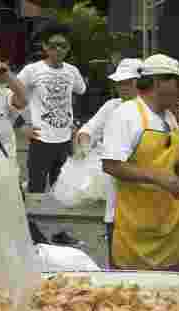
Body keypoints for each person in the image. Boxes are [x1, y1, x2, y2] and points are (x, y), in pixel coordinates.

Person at [100, 54, 179, 272]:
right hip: (133, 224)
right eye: (177, 84)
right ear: (159, 82)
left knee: (173, 292)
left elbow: (167, 163)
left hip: (170, 221)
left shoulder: (169, 117)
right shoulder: (126, 114)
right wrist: (157, 178)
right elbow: (111, 165)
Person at [74, 57, 142, 265]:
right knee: (118, 265)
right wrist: (84, 146)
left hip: (144, 202)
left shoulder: (150, 112)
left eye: (127, 82)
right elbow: (89, 129)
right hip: (115, 200)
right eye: (119, 83)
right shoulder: (112, 106)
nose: (122, 87)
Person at [18, 23, 86, 193]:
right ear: (45, 47)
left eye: (63, 46)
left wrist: (75, 121)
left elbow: (80, 93)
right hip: (41, 140)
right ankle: (32, 220)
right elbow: (6, 98)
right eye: (54, 45)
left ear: (68, 48)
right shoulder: (32, 70)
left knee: (62, 191)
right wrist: (20, 125)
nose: (59, 50)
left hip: (65, 140)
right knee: (36, 190)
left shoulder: (72, 72)